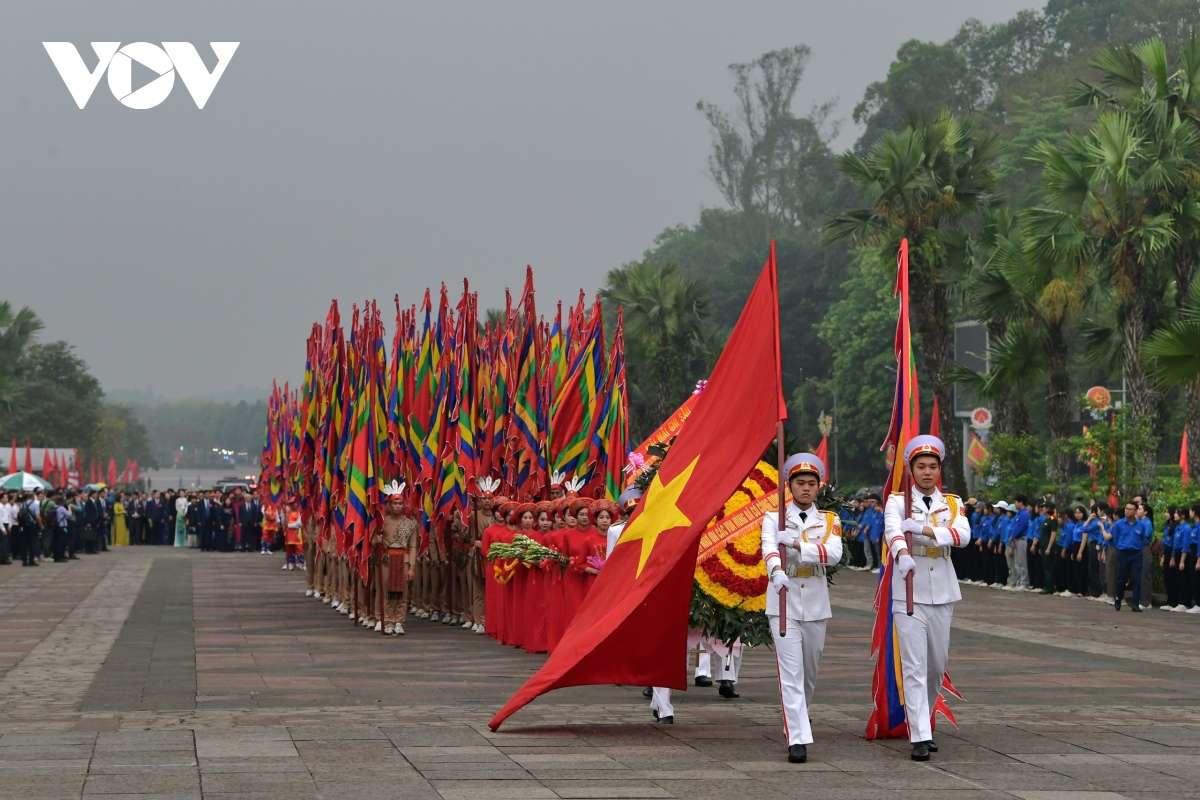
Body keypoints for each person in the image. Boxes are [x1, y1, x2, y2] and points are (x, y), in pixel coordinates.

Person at [884, 434, 971, 762]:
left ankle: (925, 720)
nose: (927, 472)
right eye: (921, 466)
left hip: (943, 590)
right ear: (910, 468)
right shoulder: (898, 501)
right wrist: (903, 553)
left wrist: (925, 530)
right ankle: (919, 733)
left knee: (936, 665)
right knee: (915, 665)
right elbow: (893, 530)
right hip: (909, 588)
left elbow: (962, 536)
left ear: (939, 469)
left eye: (933, 466)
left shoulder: (952, 503)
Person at [760, 452, 843, 764]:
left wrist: (796, 545)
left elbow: (833, 555)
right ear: (789, 486)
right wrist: (777, 571)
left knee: (809, 672)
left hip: (817, 600)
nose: (805, 488)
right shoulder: (774, 517)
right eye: (800, 483)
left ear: (818, 487)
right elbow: (768, 546)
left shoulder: (829, 521)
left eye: (811, 483)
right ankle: (797, 737)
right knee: (791, 673)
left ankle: (799, 717)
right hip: (784, 597)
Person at [1109, 500, 1151, 612]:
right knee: (1122, 579)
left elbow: (1143, 539)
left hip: (1136, 554)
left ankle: (1135, 604)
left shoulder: (1141, 525)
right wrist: (1120, 548)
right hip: (1123, 553)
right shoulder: (1118, 525)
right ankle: (1118, 597)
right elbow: (1116, 539)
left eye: (1130, 509)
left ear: (1136, 511)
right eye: (1126, 509)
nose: (1127, 511)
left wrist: (1138, 547)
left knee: (1137, 579)